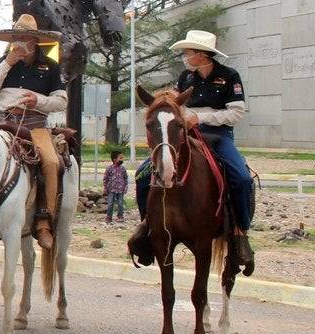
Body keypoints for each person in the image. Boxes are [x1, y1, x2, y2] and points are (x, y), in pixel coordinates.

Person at [129, 30, 254, 275]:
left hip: (218, 136)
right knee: (144, 174)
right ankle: (148, 225)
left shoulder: (229, 76)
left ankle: (240, 232)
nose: (186, 57)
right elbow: (175, 104)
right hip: (185, 133)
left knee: (241, 178)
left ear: (202, 54)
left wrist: (201, 117)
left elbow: (236, 113)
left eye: (189, 53)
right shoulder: (186, 77)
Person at [0, 14, 68, 250]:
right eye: (17, 37)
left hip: (35, 124)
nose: (20, 41)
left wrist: (37, 100)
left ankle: (43, 221)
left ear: (35, 40)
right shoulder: (4, 62)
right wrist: (8, 62)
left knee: (51, 162)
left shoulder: (50, 66)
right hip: (1, 121)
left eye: (25, 37)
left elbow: (61, 101)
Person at [103, 151, 128, 224]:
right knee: (110, 203)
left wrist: (126, 187)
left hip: (121, 189)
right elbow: (105, 179)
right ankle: (108, 217)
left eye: (122, 158)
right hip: (111, 189)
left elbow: (125, 178)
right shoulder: (109, 168)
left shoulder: (123, 169)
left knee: (120, 203)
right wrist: (105, 188)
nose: (122, 159)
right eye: (120, 158)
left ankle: (120, 216)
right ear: (114, 159)